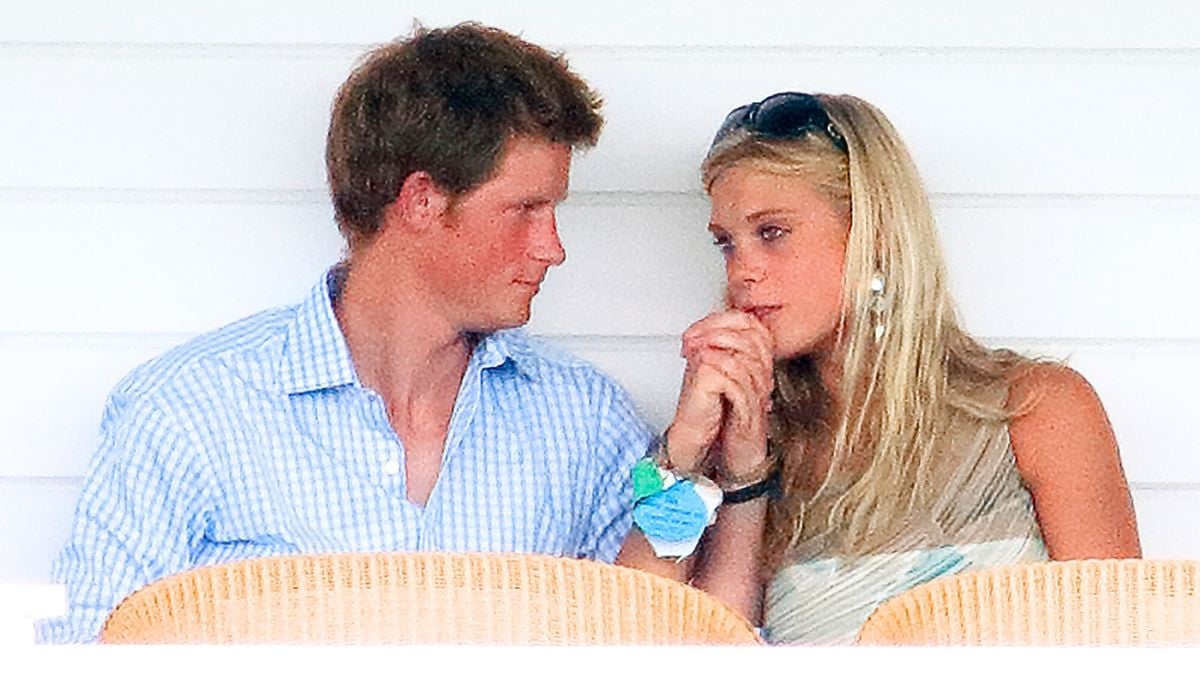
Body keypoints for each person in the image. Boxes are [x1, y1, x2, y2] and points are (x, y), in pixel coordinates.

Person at [40, 22, 653, 643]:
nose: (553, 249)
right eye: (525, 210)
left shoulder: (584, 418)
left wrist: (694, 463)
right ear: (421, 201)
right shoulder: (188, 412)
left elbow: (660, 640)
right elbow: (85, 649)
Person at [617, 91, 1140, 644]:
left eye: (771, 233)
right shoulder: (761, 436)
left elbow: (1124, 644)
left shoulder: (1037, 410)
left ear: (877, 235)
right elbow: (674, 643)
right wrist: (692, 456)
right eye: (726, 243)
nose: (743, 270)